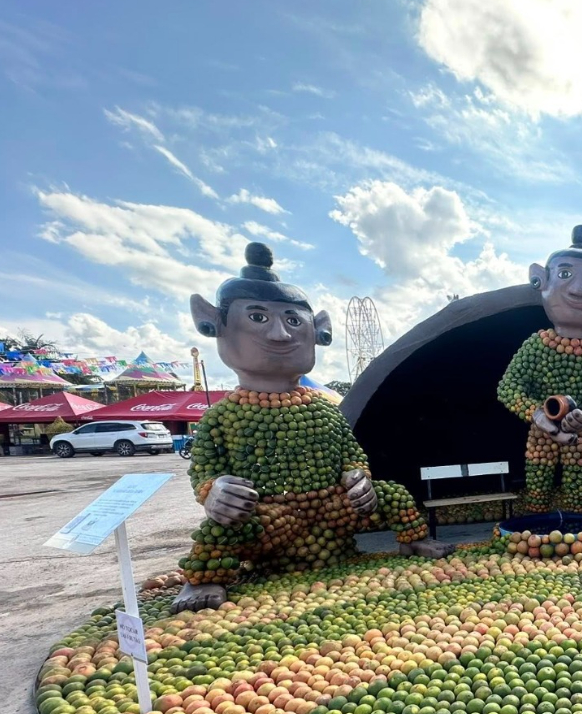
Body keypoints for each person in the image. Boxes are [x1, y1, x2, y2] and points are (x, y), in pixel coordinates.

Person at [171, 242, 453, 613]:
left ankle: (414, 541)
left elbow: (350, 451)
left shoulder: (323, 408)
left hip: (330, 510)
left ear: (318, 330)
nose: (280, 335)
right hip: (271, 517)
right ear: (212, 323)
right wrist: (213, 491)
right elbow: (205, 466)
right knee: (219, 531)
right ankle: (205, 579)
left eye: (293, 321)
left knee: (395, 495)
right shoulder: (223, 416)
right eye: (257, 318)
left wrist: (359, 477)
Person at [497, 225, 582, 512]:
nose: (580, 289)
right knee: (537, 493)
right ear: (540, 280)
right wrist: (538, 416)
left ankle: (574, 535)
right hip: (540, 436)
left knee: (576, 498)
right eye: (565, 274)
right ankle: (536, 532)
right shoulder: (537, 345)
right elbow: (509, 388)